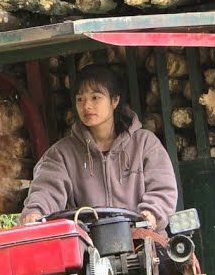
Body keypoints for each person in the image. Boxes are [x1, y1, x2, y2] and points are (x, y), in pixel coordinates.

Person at [21, 64, 178, 230]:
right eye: (80, 99)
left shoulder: (145, 143)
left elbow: (163, 190)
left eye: (95, 97)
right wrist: (36, 211)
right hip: (87, 243)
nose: (86, 105)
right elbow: (46, 191)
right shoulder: (61, 154)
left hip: (142, 238)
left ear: (114, 101)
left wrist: (152, 213)